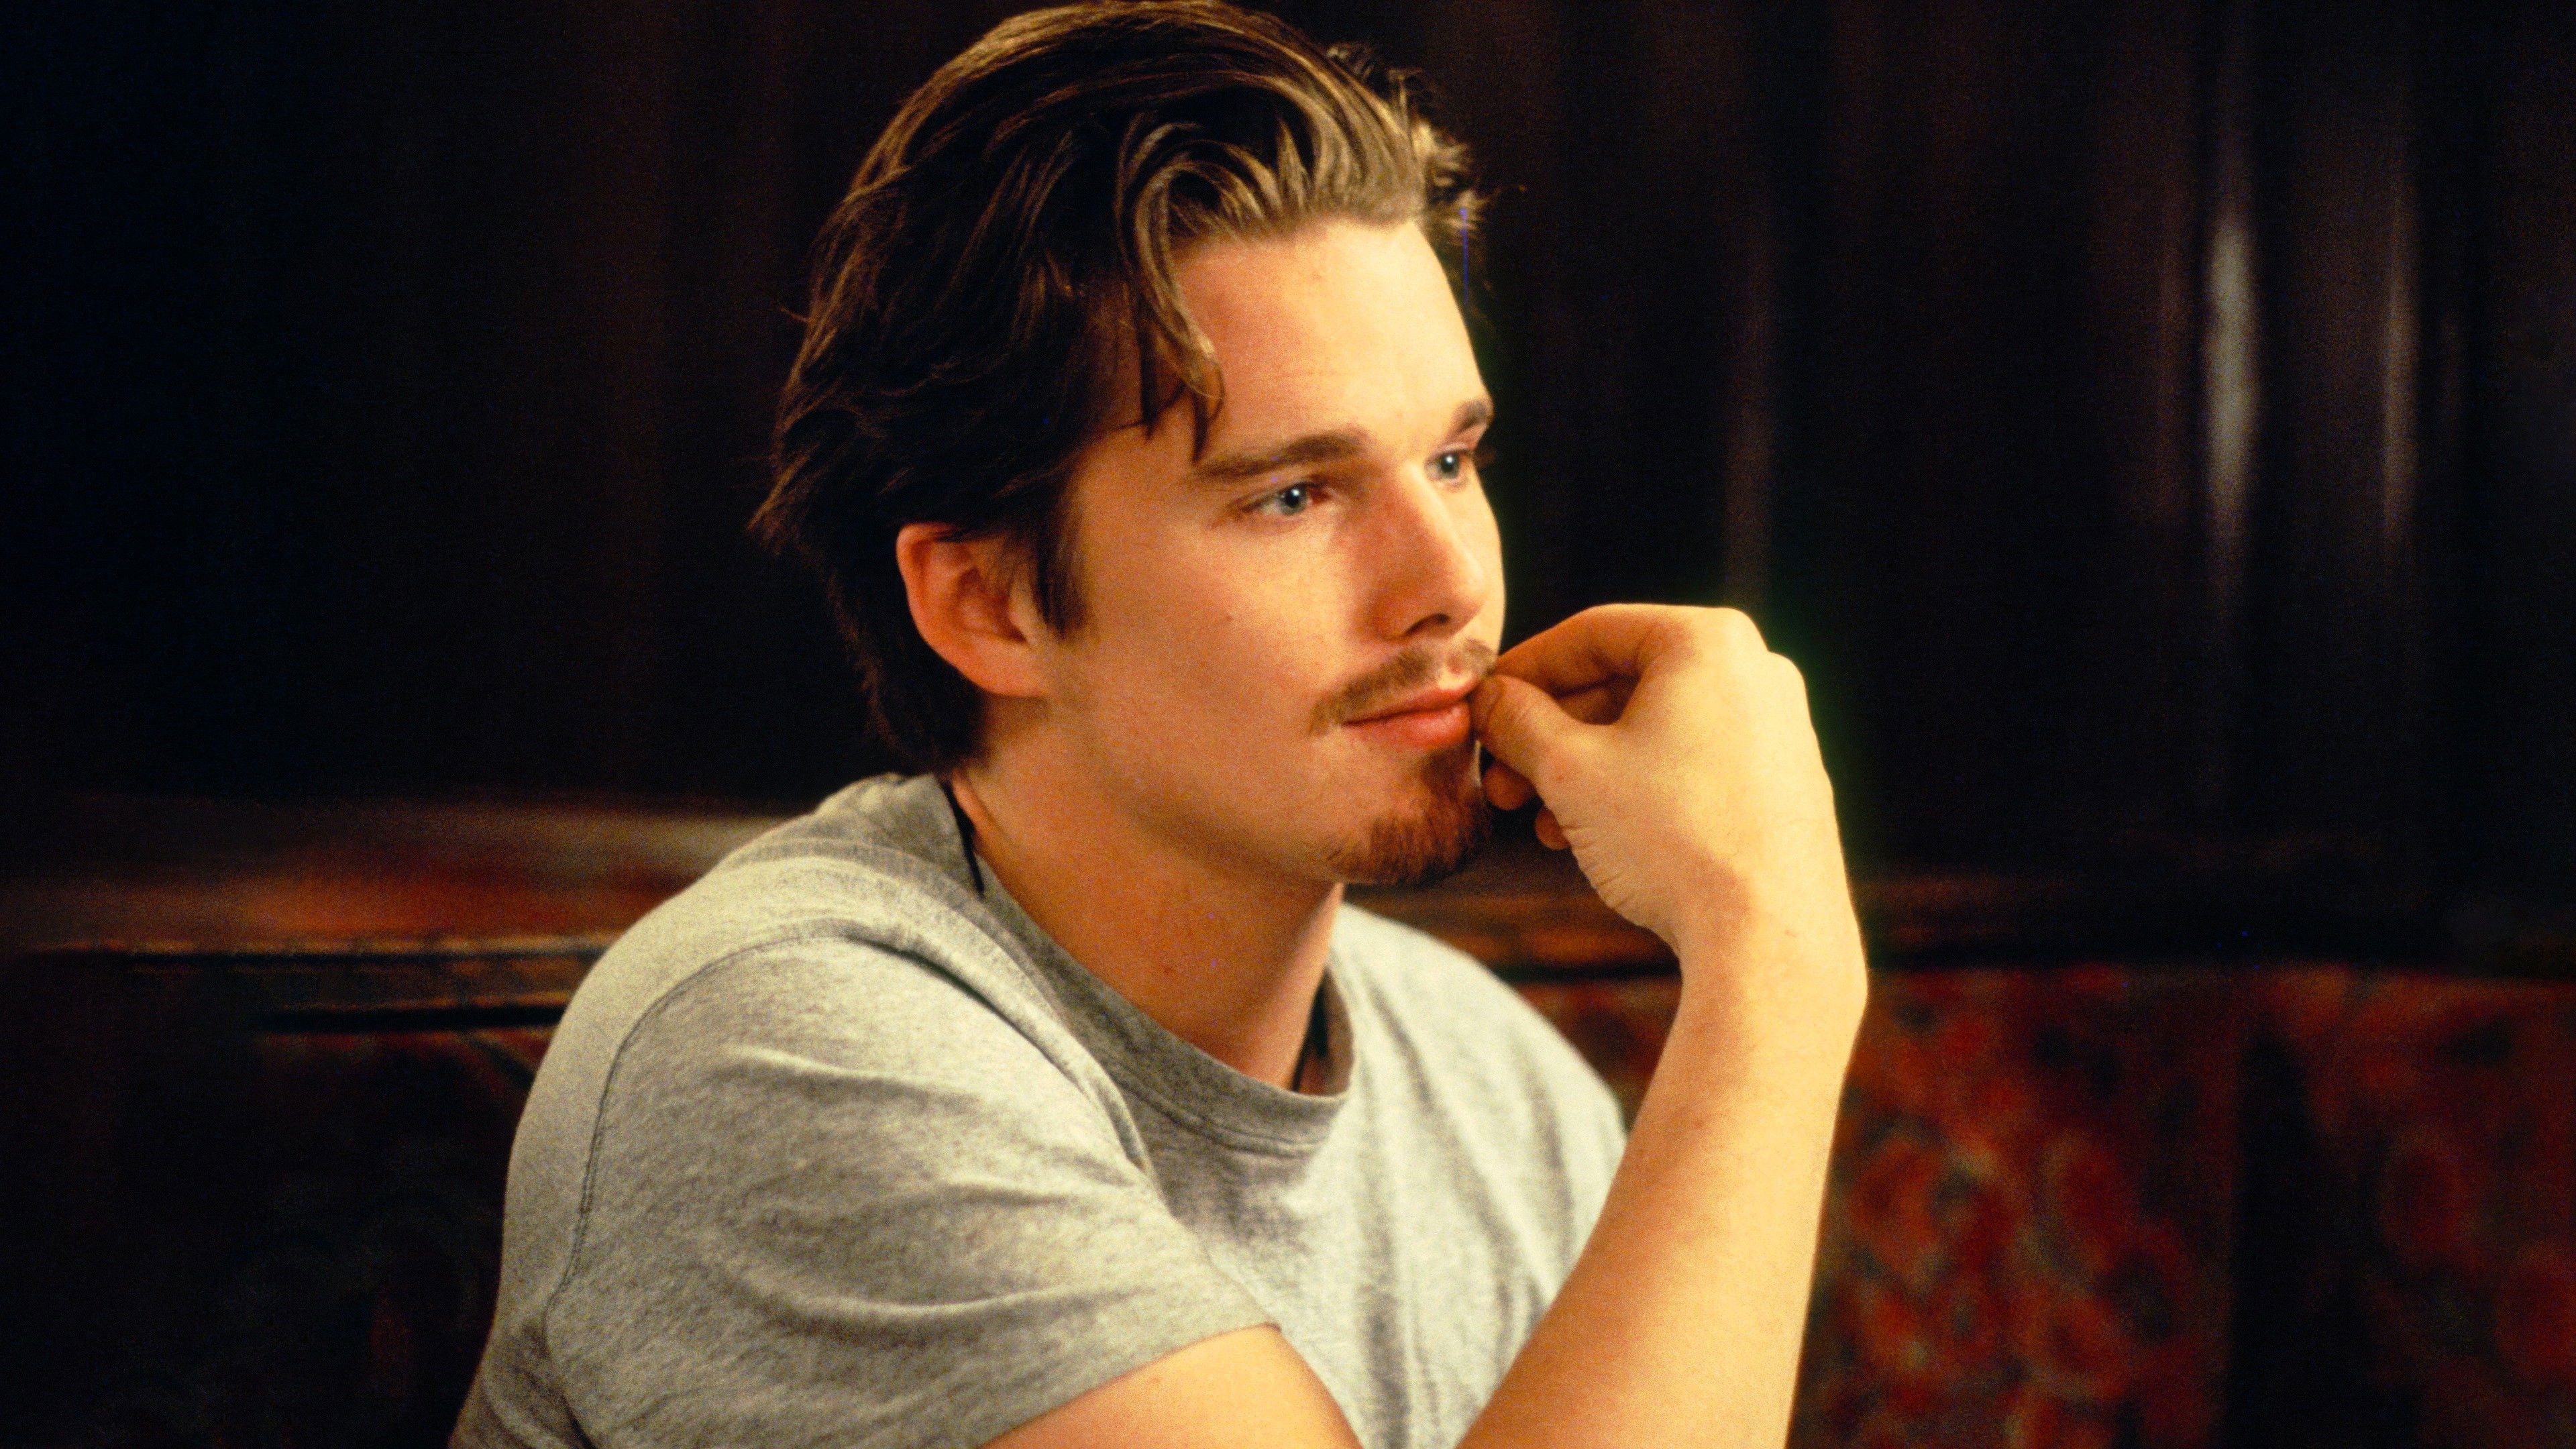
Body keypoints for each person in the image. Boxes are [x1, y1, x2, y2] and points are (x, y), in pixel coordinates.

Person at [451, 3, 1867, 1446]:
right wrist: (1775, 962)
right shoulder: (777, 1054)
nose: (1450, 581)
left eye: (1451, 459)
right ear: (989, 604)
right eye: (1293, 496)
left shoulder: (1502, 1089)